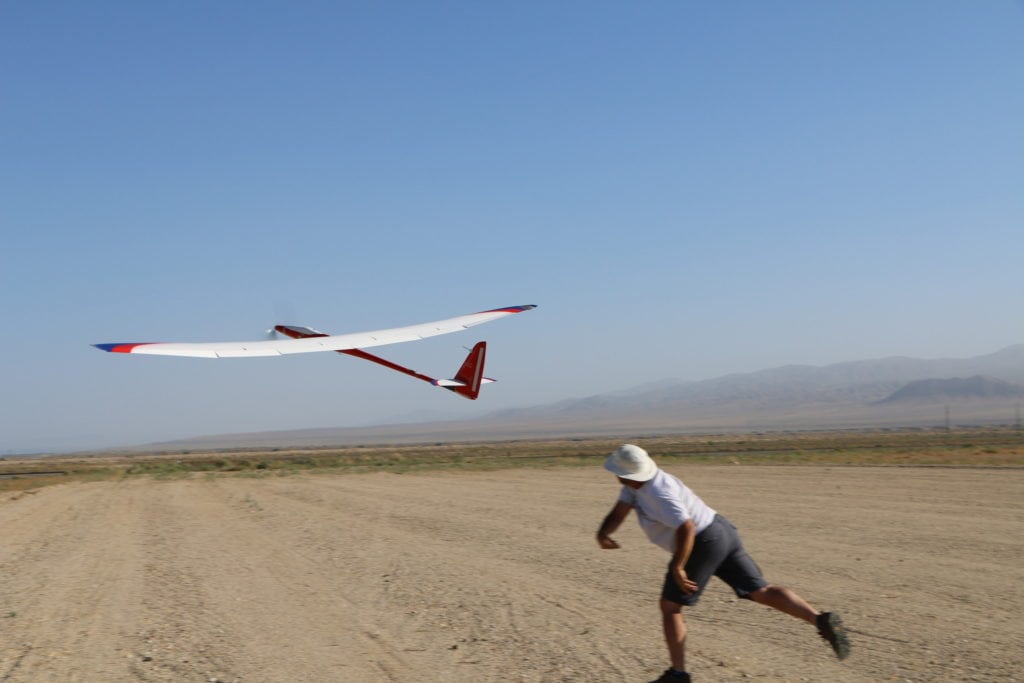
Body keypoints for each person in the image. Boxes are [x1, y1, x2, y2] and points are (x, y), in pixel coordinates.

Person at [596, 444, 850, 682]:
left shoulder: (658, 492)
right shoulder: (635, 485)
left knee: (671, 606)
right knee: (760, 590)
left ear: (623, 473)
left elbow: (687, 526)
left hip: (703, 540)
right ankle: (820, 620)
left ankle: (678, 674)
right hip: (721, 530)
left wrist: (678, 566)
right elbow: (619, 511)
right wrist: (604, 533)